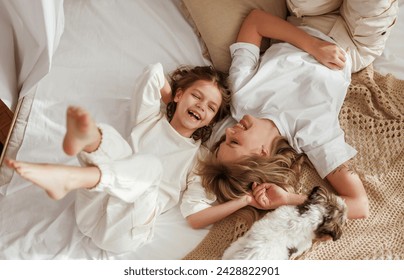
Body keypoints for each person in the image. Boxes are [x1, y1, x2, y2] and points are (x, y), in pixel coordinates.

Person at [6, 62, 231, 253]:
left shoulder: (200, 158)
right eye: (196, 96)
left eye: (211, 107)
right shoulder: (151, 120)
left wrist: (244, 201)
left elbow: (195, 215)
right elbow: (154, 72)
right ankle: (89, 139)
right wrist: (171, 98)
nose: (201, 106)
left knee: (151, 167)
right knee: (111, 139)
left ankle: (75, 174)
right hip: (92, 208)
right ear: (179, 94)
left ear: (211, 121)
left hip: (125, 230)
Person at [180, 9, 369, 230]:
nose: (230, 131)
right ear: (262, 153)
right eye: (234, 142)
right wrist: (289, 199)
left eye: (225, 140)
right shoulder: (313, 136)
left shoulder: (242, 97)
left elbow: (256, 21)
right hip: (353, 40)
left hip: (306, 18)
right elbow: (359, 205)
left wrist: (314, 46)